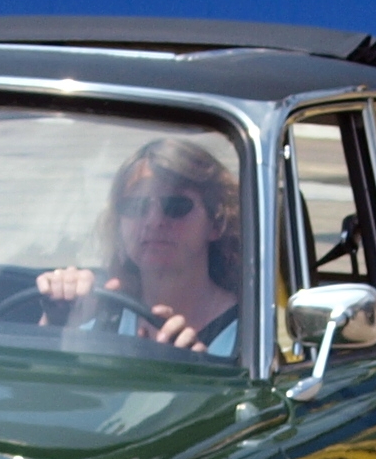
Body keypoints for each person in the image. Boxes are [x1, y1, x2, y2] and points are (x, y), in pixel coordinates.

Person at [36, 135, 240, 354]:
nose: (153, 220)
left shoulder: (252, 336)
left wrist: (198, 376)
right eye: (135, 206)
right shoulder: (98, 318)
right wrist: (57, 322)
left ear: (217, 223)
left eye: (175, 205)